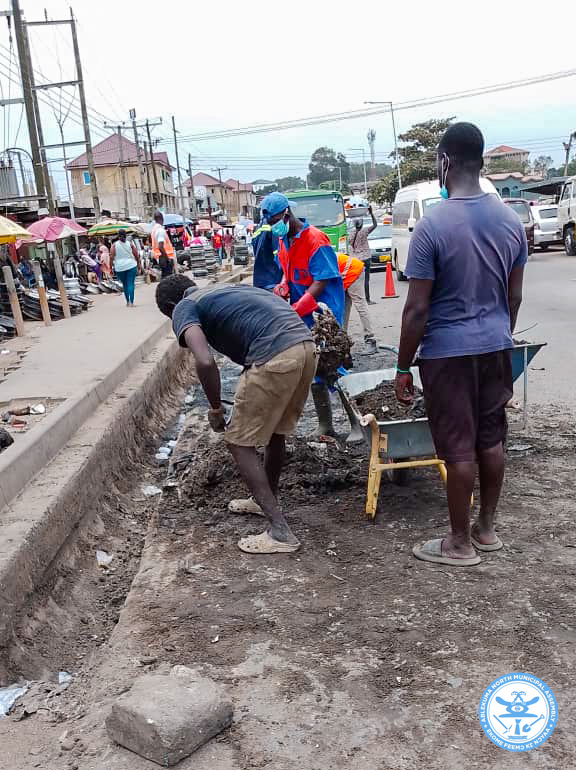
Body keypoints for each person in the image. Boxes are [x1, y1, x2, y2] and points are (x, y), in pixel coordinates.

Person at [395, 122, 527, 568]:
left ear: (445, 161)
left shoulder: (431, 226)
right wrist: (498, 333)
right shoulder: (510, 221)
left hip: (447, 355)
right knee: (491, 440)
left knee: (458, 448)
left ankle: (458, 542)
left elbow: (415, 311)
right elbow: (515, 297)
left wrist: (401, 367)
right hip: (496, 347)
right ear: (482, 160)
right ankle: (485, 530)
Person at [156, 274, 317, 555]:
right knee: (275, 431)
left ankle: (280, 532)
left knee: (238, 442)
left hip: (274, 354)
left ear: (171, 304)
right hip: (305, 348)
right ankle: (265, 499)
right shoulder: (224, 289)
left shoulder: (184, 306)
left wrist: (216, 407)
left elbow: (204, 361)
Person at [261, 191, 345, 436]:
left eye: (274, 221)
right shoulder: (284, 239)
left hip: (323, 312)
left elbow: (321, 281)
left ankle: (357, 423)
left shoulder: (315, 240)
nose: (272, 226)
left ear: (286, 214)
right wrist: (284, 282)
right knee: (313, 369)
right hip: (302, 312)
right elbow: (288, 268)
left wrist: (301, 305)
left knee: (332, 367)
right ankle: (326, 425)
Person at [337, 253, 377, 353]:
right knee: (344, 306)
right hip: (347, 270)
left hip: (353, 270)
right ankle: (342, 341)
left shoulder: (317, 260)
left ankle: (370, 340)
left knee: (360, 304)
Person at [349, 205, 377, 304]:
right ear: (362, 224)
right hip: (366, 258)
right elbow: (375, 225)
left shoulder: (351, 233)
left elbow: (349, 243)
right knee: (366, 280)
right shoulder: (365, 231)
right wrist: (371, 213)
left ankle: (359, 299)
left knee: (357, 281)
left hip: (356, 259)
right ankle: (368, 299)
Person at [252, 219, 283, 291]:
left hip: (259, 280)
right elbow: (279, 256)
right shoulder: (275, 227)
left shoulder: (258, 228)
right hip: (273, 280)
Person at [111, 230, 140, 306]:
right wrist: (139, 264)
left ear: (118, 236)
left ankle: (127, 302)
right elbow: (136, 255)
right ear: (126, 235)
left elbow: (111, 257)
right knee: (131, 283)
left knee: (125, 284)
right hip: (131, 265)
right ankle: (132, 302)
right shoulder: (130, 244)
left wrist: (111, 267)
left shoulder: (114, 245)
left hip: (119, 267)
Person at [151, 211, 175, 278]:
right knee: (168, 278)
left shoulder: (154, 229)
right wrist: (167, 258)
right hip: (165, 257)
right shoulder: (160, 230)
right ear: (162, 218)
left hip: (159, 257)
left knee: (165, 277)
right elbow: (160, 246)